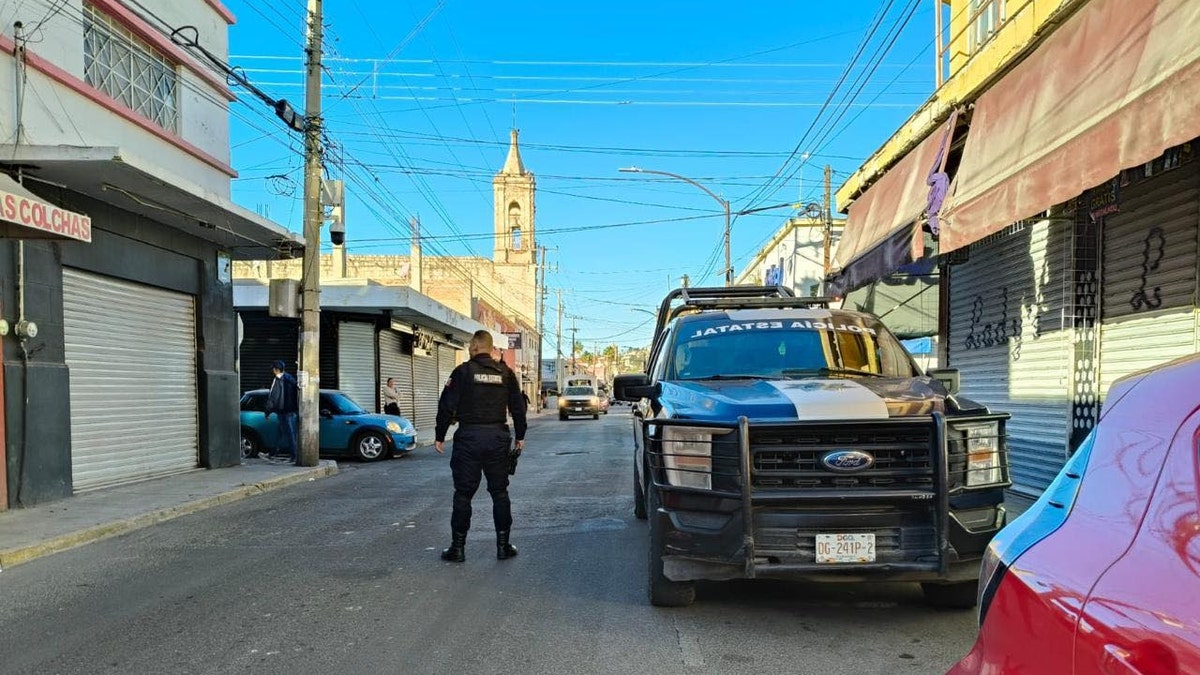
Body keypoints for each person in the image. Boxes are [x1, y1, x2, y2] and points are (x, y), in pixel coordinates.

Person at [435, 330, 527, 563]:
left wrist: (439, 435)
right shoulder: (505, 373)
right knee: (500, 492)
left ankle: (458, 549)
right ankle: (503, 546)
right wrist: (521, 435)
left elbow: (446, 405)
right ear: (490, 347)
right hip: (497, 437)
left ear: (475, 347)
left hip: (469, 438)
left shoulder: (462, 372)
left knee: (463, 494)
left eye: (469, 345)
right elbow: (518, 406)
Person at [264, 360, 299, 464]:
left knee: (289, 433)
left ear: (276, 370)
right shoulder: (290, 378)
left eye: (273, 369)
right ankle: (273, 453)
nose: (272, 371)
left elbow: (273, 397)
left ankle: (294, 456)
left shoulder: (278, 380)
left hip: (283, 411)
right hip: (290, 410)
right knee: (281, 433)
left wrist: (267, 411)